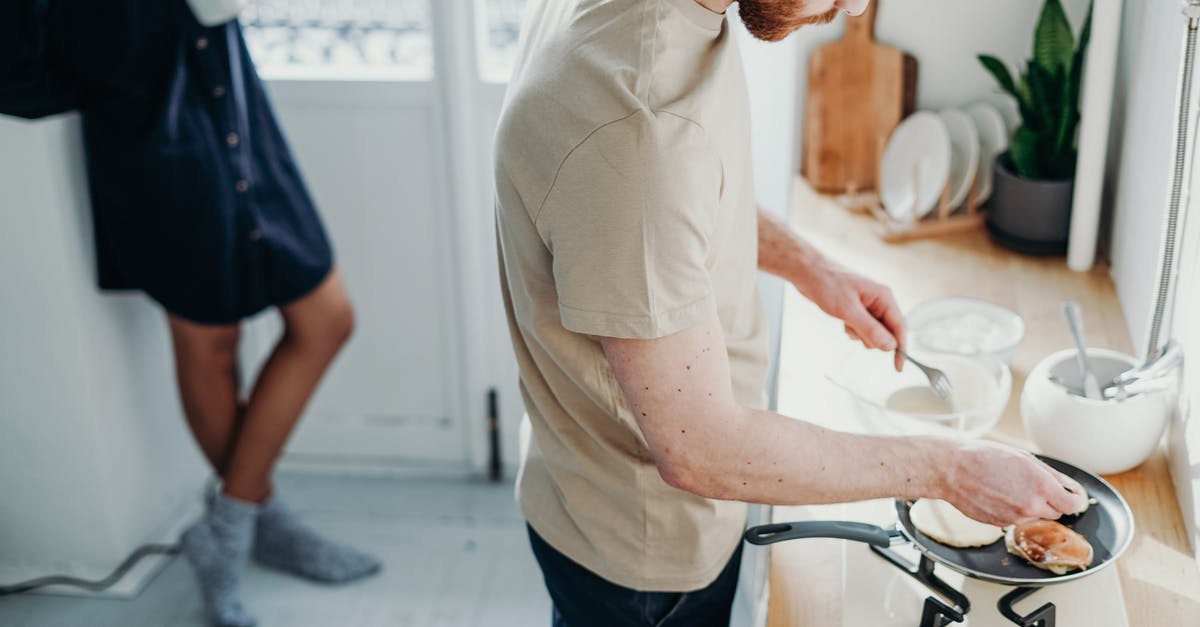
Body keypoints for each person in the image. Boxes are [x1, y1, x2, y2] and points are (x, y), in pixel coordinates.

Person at [492, 1, 1087, 625]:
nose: (854, 6)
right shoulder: (636, 129)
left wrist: (813, 268)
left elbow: (679, 201)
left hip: (584, 482)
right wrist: (949, 468)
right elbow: (704, 449)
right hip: (642, 554)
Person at [45, 1, 380, 625]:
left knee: (326, 317)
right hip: (154, 121)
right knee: (209, 341)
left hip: (226, 94)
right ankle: (247, 520)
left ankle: (237, 516)